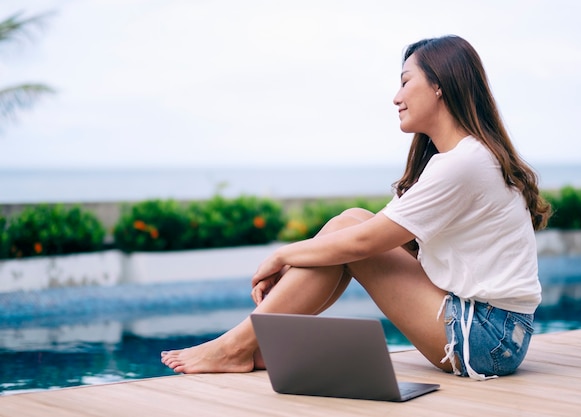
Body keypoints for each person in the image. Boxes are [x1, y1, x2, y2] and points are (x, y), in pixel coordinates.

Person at [161, 35, 551, 380]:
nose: (396, 97)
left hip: (487, 338)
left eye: (404, 82)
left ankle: (236, 346)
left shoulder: (465, 162)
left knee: (350, 236)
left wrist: (281, 255)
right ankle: (255, 343)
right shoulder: (460, 159)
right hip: (492, 330)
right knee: (348, 222)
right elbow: (366, 230)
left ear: (438, 86)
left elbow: (365, 242)